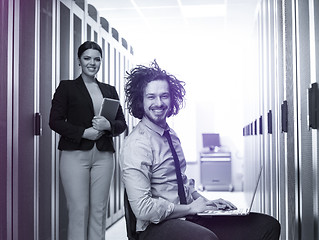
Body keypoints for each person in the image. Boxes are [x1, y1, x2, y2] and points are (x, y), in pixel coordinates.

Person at [120, 60, 280, 240]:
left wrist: (206, 202)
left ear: (172, 98)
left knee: (267, 226)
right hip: (155, 227)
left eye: (164, 96)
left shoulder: (170, 135)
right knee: (205, 238)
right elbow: (143, 209)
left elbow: (182, 183)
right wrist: (190, 208)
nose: (159, 103)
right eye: (151, 97)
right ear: (140, 100)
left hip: (187, 216)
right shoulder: (137, 144)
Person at [49, 41, 127, 240]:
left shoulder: (109, 90)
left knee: (99, 211)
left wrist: (107, 126)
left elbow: (121, 123)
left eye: (97, 59)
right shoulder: (66, 87)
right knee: (79, 210)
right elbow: (54, 121)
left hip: (104, 156)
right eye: (87, 58)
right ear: (79, 61)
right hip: (74, 155)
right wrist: (84, 132)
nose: (92, 63)